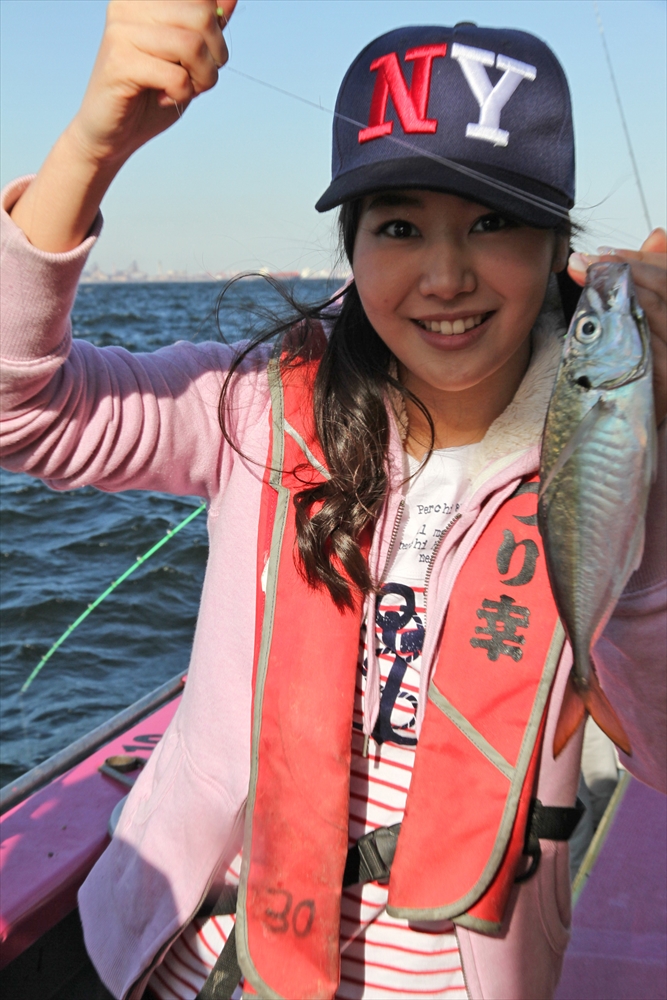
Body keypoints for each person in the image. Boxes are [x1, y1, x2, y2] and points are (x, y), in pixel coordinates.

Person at [1, 3, 665, 999]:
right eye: (398, 226)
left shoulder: (620, 442)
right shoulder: (253, 403)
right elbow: (21, 411)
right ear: (349, 244)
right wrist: (95, 143)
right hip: (179, 965)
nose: (445, 275)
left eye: (493, 222)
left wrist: (645, 487)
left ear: (556, 248)